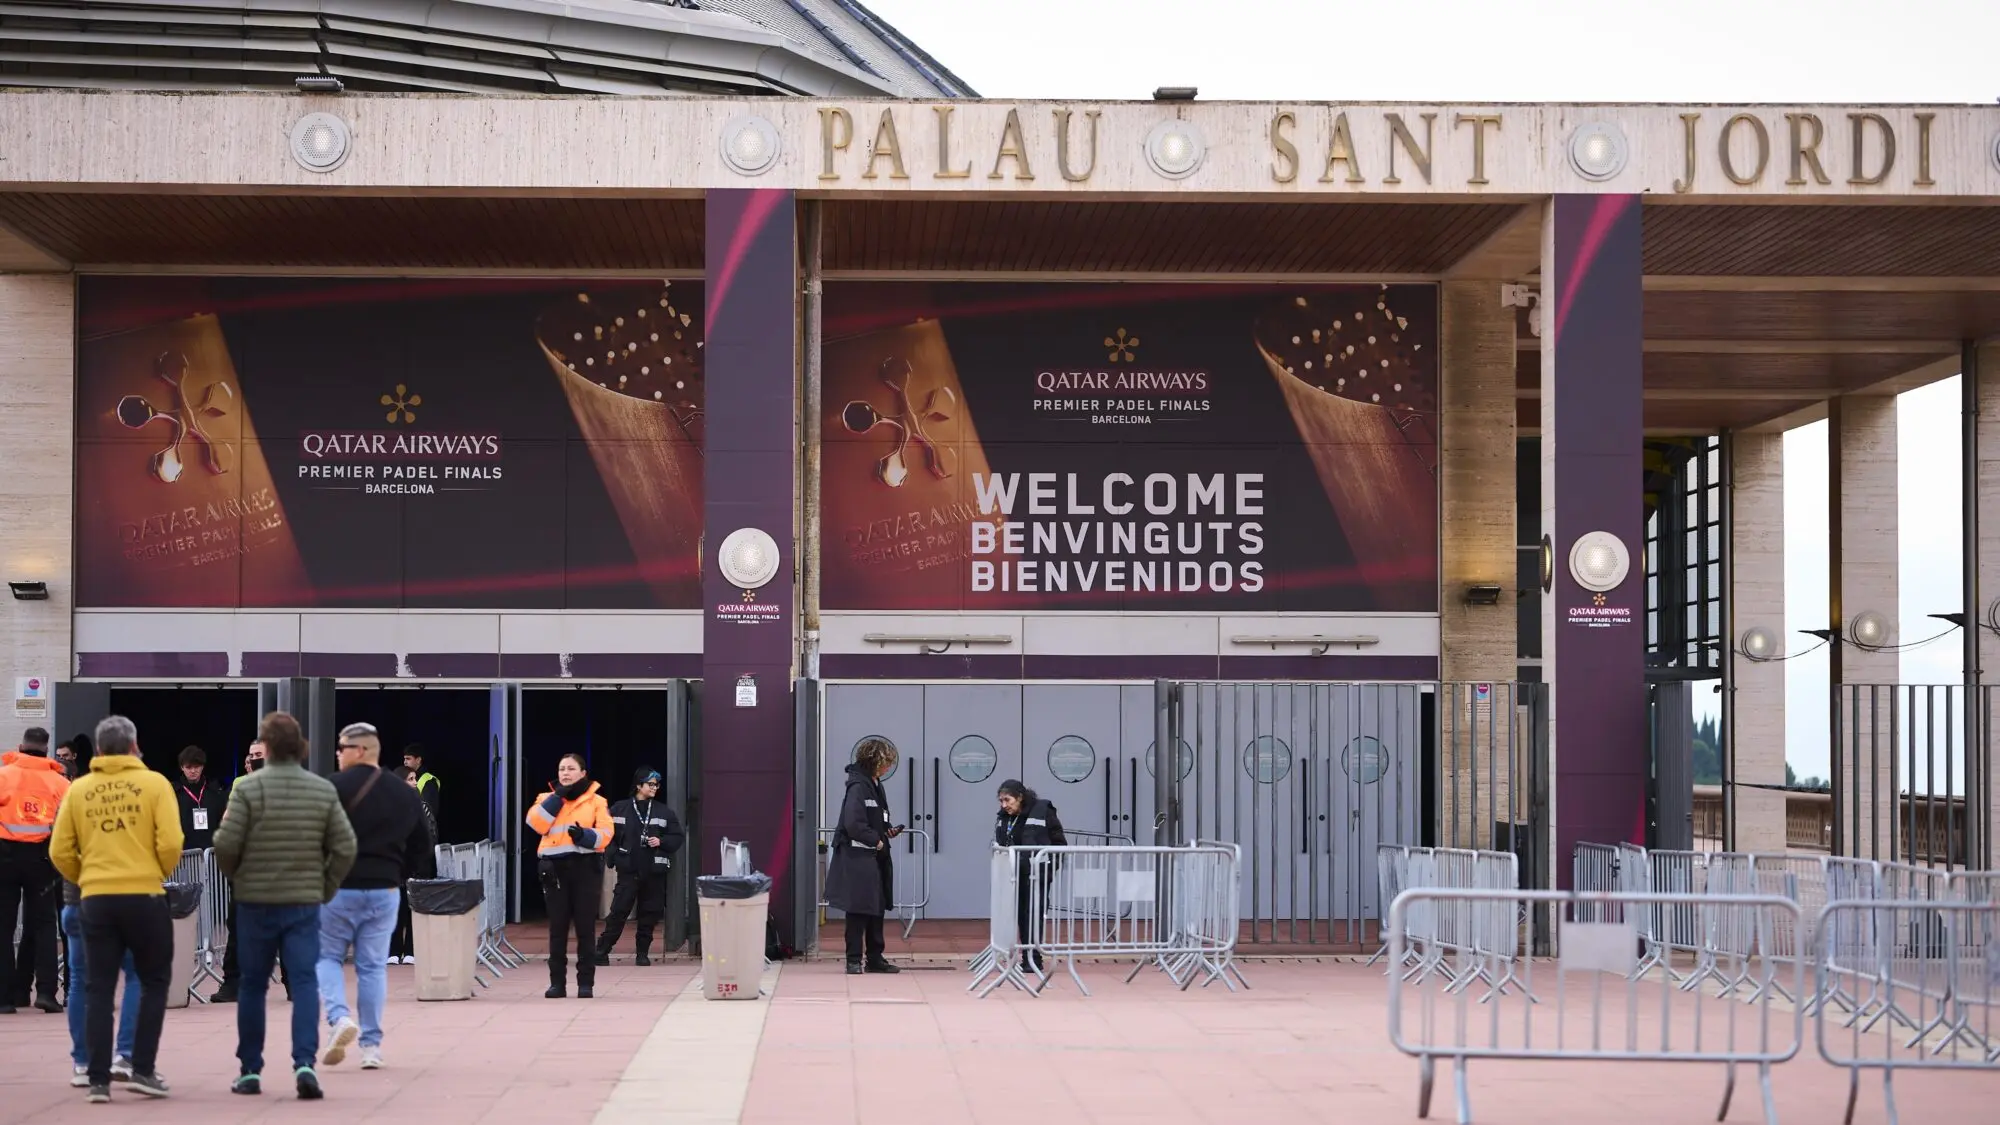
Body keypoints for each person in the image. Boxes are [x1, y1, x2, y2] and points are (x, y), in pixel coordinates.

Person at [213, 713, 355, 1100]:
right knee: (305, 981)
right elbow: (345, 846)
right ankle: (305, 1063)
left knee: (253, 985)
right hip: (303, 901)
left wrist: (238, 878)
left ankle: (250, 1070)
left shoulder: (247, 789)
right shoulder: (320, 790)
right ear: (301, 747)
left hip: (255, 900)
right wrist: (324, 886)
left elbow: (225, 844)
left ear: (268, 747)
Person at [47, 715, 182, 1103]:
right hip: (144, 896)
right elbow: (172, 842)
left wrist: (87, 876)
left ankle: (97, 1079)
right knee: (153, 980)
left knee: (97, 987)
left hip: (96, 899)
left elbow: (59, 850)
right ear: (135, 746)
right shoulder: (155, 784)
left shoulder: (80, 789)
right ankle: (140, 1067)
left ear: (99, 749)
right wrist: (154, 872)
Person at [317, 723, 433, 1071]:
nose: (338, 754)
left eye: (342, 748)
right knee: (371, 968)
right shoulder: (404, 793)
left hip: (337, 887)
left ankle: (339, 1017)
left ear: (361, 750)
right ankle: (371, 1046)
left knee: (326, 958)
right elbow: (422, 844)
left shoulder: (330, 788)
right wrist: (399, 872)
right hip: (384, 888)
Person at [525, 753, 611, 999]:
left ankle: (586, 984)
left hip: (586, 868)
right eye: (562, 768)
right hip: (555, 871)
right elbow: (535, 825)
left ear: (583, 773)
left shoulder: (597, 801)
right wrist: (557, 797)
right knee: (557, 928)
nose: (565, 773)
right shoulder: (546, 798)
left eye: (571, 768)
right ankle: (557, 984)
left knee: (585, 928)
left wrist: (583, 836)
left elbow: (606, 834)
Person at [1, 726, 69, 1015]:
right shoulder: (60, 782)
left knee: (3, 927)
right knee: (44, 926)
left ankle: (5, 998)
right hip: (43, 859)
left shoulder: (3, 776)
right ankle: (45, 992)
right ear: (46, 748)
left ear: (20, 746)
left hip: (3, 856)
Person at [824, 737, 903, 976]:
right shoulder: (858, 786)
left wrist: (886, 830)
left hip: (873, 857)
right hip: (858, 856)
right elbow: (854, 823)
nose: (888, 767)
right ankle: (854, 959)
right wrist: (877, 840)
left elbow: (877, 815)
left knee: (875, 907)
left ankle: (875, 957)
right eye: (886, 762)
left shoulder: (875, 784)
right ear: (874, 761)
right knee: (859, 909)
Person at [59, 866, 143, 1087]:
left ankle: (83, 1062)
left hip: (81, 897)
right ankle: (124, 1054)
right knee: (137, 974)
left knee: (80, 980)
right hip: (126, 897)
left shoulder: (72, 828)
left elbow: (60, 852)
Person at [594, 768, 684, 966]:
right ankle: (601, 951)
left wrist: (660, 841)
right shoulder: (620, 808)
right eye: (650, 784)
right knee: (618, 911)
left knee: (650, 913)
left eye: (656, 785)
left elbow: (677, 836)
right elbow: (607, 835)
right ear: (638, 785)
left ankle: (642, 954)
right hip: (628, 870)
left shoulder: (663, 811)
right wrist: (615, 858)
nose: (654, 788)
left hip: (654, 870)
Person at [210, 740, 273, 1004]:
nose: (254, 760)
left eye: (260, 755)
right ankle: (232, 982)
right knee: (237, 924)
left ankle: (296, 984)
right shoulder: (240, 786)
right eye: (251, 755)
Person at [994, 779, 1067, 975]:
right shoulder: (1004, 816)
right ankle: (1026, 956)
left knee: (1033, 915)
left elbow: (1059, 843)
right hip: (1015, 874)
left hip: (1037, 874)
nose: (1004, 805)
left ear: (1020, 797)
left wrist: (1050, 868)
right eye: (1001, 801)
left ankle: (1033, 958)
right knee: (1020, 915)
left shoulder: (1042, 811)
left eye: (1007, 800)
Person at [385, 767, 437, 965]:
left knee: (414, 909)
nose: (415, 783)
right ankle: (393, 950)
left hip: (417, 865)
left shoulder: (423, 807)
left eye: (415, 778)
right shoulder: (388, 808)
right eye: (410, 779)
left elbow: (430, 835)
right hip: (395, 865)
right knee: (395, 908)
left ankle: (411, 950)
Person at [174, 745, 227, 852]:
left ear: (202, 766)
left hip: (212, 853)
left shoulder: (215, 791)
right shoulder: (174, 793)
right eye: (188, 767)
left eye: (196, 767)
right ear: (182, 768)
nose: (193, 771)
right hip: (185, 854)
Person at [402, 745, 439, 818]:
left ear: (418, 760)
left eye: (408, 759)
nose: (405, 762)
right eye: (404, 759)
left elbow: (430, 812)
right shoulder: (407, 777)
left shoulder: (428, 781)